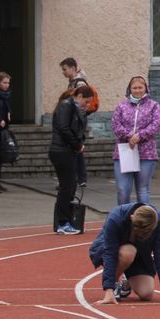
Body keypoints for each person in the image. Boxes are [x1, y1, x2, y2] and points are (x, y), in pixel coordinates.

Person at [89, 203, 160, 304]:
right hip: (111, 251)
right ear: (131, 218)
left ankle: (126, 282)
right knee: (129, 252)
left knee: (146, 294)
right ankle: (115, 285)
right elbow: (109, 253)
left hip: (139, 255)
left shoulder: (158, 220)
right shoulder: (116, 218)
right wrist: (109, 289)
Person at [110, 76, 160, 205]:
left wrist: (139, 136)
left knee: (142, 190)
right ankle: (124, 219)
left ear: (146, 88)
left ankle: (144, 221)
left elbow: (156, 125)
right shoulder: (121, 106)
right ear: (130, 89)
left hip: (146, 153)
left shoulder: (154, 106)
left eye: (140, 87)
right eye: (135, 88)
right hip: (124, 152)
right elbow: (116, 125)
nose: (138, 90)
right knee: (123, 190)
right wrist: (129, 136)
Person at [49, 84, 94, 235]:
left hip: (67, 150)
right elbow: (64, 128)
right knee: (67, 186)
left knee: (70, 185)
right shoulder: (66, 105)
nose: (87, 105)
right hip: (62, 150)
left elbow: (75, 128)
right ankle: (62, 222)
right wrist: (77, 144)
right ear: (79, 96)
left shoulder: (73, 108)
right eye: (86, 101)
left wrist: (78, 143)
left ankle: (64, 220)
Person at [60, 57, 89, 187]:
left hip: (76, 120)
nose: (63, 72)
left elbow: (83, 102)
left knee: (76, 148)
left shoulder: (79, 83)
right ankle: (78, 178)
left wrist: (77, 116)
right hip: (74, 119)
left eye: (65, 69)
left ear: (73, 68)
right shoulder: (74, 82)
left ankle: (80, 178)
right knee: (75, 148)